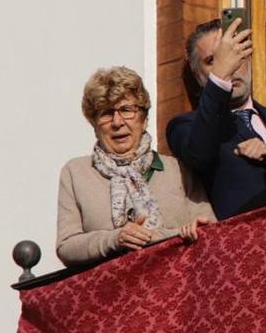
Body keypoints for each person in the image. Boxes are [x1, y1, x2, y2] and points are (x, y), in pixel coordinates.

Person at [57, 67, 214, 266]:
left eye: (126, 110)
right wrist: (115, 239)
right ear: (94, 125)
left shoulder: (178, 169)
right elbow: (67, 246)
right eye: (106, 113)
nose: (117, 122)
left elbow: (210, 231)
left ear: (144, 118)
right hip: (115, 291)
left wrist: (161, 236)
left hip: (178, 286)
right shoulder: (76, 173)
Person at [166, 18, 266, 218]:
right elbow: (199, 155)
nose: (230, 67)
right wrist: (220, 75)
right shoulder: (185, 126)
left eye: (235, 55)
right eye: (212, 61)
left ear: (248, 59)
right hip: (243, 241)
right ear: (197, 75)